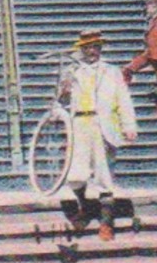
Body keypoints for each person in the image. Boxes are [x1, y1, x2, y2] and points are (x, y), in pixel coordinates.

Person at [59, 30, 137, 241]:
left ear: (100, 48)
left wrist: (129, 125)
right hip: (79, 125)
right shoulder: (72, 71)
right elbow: (62, 103)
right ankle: (85, 208)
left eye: (95, 47)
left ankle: (106, 223)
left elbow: (123, 99)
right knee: (75, 176)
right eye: (87, 47)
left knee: (104, 177)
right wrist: (63, 92)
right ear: (81, 49)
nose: (91, 51)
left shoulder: (111, 71)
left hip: (102, 126)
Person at [123, 0, 157, 116]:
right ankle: (123, 91)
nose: (148, 9)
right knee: (128, 68)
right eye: (147, 6)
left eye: (150, 6)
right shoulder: (152, 20)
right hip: (150, 52)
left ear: (156, 7)